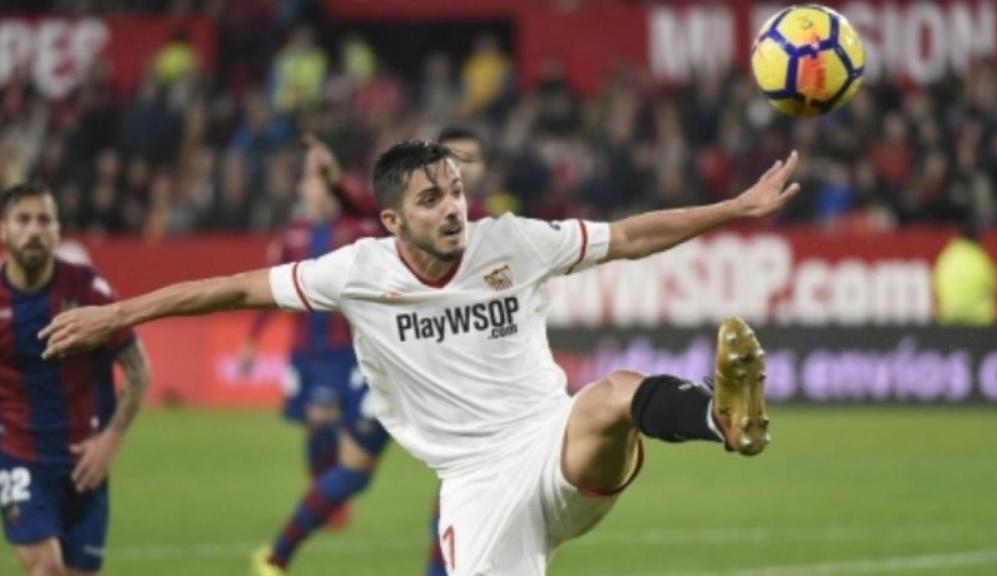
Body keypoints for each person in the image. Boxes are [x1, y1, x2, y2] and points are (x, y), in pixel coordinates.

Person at [39, 142, 799, 575]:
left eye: (457, 191)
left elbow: (629, 235)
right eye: (432, 198)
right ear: (393, 218)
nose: (453, 207)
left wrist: (735, 207)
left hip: (550, 442)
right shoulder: (356, 272)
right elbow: (234, 288)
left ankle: (720, 417)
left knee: (613, 392)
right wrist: (118, 313)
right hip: (472, 483)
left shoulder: (513, 242)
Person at [239, 136, 390, 575]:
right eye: (310, 182)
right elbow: (268, 292)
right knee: (320, 430)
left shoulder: (358, 230)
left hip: (351, 351)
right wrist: (251, 341)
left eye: (322, 182)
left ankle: (314, 513)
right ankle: (322, 504)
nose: (317, 190)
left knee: (334, 430)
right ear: (302, 191)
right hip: (308, 351)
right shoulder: (292, 236)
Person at [0, 182, 151, 575]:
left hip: (85, 462)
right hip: (19, 459)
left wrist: (112, 439)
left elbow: (137, 369)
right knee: (46, 570)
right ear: (3, 230)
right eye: (23, 220)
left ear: (57, 230)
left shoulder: (88, 290)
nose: (34, 230)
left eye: (44, 220)